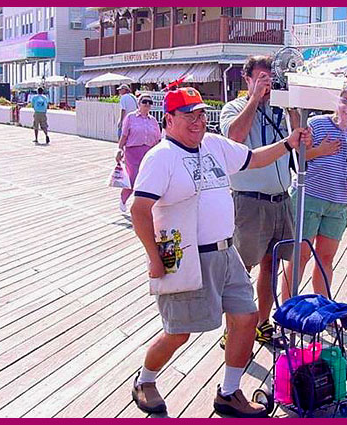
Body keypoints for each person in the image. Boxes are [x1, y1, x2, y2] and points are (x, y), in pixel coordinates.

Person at [130, 84, 311, 417]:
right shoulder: (161, 157)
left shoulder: (213, 144)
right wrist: (154, 259)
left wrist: (288, 144)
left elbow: (253, 159)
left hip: (227, 253)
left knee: (246, 320)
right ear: (168, 120)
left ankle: (229, 392)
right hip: (186, 257)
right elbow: (139, 209)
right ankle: (145, 380)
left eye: (201, 115)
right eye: (188, 116)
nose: (197, 122)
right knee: (178, 333)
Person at [219, 55, 300, 347]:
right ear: (248, 79)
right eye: (262, 78)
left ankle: (262, 324)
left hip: (281, 200)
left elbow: (300, 143)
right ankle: (234, 329)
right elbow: (235, 137)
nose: (268, 84)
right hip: (249, 203)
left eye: (271, 78)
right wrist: (254, 99)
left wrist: (293, 105)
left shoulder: (280, 108)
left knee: (272, 265)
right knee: (241, 271)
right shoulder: (235, 107)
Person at [281, 83, 347, 300]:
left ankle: (322, 306)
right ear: (335, 101)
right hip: (310, 198)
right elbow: (298, 159)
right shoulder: (317, 124)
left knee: (326, 259)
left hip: (338, 203)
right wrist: (321, 150)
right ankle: (287, 307)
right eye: (345, 100)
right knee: (299, 257)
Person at [115, 93, 161, 213]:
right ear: (139, 103)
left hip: (148, 153)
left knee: (147, 180)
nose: (147, 105)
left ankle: (142, 206)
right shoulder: (130, 117)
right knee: (134, 179)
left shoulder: (153, 120)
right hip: (133, 152)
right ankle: (123, 198)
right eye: (144, 102)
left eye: (150, 103)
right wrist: (119, 150)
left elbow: (158, 139)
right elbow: (124, 135)